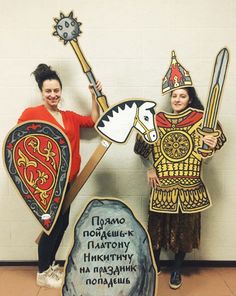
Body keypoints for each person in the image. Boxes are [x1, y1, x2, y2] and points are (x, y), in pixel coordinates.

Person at [134, 51, 226, 289]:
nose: (177, 99)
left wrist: (209, 147)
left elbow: (206, 156)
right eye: (174, 95)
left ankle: (176, 270)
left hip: (190, 187)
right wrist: (150, 169)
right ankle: (154, 268)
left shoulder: (202, 120)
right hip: (162, 186)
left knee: (183, 232)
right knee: (156, 230)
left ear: (189, 98)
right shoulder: (156, 120)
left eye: (182, 95)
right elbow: (142, 149)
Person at [18, 64, 101, 288]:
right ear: (41, 92)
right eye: (48, 91)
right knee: (51, 226)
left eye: (56, 91)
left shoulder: (70, 117)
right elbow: (20, 144)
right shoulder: (32, 114)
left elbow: (93, 121)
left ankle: (51, 264)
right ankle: (42, 271)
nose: (53, 95)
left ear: (61, 91)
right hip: (48, 186)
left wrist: (94, 97)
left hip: (69, 183)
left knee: (62, 225)